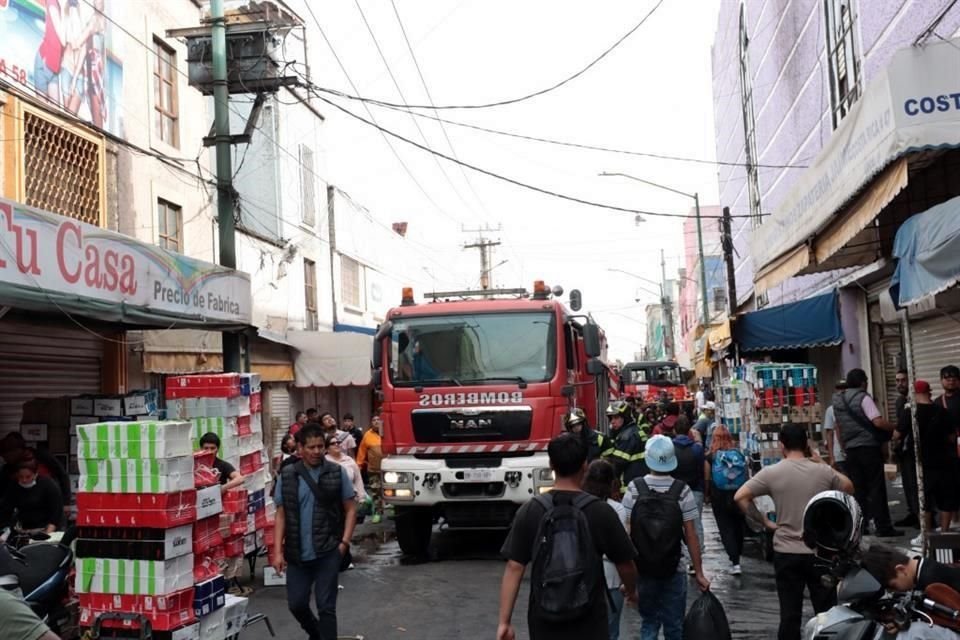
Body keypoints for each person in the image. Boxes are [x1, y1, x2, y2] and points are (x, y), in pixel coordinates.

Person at [497, 433, 638, 640]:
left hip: (544, 620)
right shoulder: (600, 511)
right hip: (589, 621)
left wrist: (504, 622)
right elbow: (625, 564)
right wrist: (631, 590)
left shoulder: (531, 510)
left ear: (551, 464)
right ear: (584, 466)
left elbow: (514, 567)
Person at [734, 422, 854, 640]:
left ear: (782, 445)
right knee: (826, 613)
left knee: (789, 615)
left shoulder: (771, 473)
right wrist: (823, 462)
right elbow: (848, 488)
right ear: (807, 443)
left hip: (786, 551)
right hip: (821, 552)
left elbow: (740, 497)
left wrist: (764, 523)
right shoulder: (822, 471)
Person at [272, 423, 357, 640]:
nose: (317, 451)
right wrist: (278, 552)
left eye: (320, 446)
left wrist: (344, 543)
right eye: (311, 447)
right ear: (300, 448)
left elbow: (350, 509)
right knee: (297, 604)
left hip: (328, 551)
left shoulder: (336, 473)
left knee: (326, 606)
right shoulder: (288, 474)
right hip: (297, 553)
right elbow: (280, 514)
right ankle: (316, 634)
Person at [622, 435, 710, 640]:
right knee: (674, 626)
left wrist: (626, 577)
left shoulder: (635, 488)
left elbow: (626, 533)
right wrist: (698, 573)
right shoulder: (682, 490)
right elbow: (691, 535)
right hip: (675, 568)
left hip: (642, 568)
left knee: (649, 623)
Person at [833, 368, 901, 538]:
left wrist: (843, 446)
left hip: (850, 449)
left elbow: (838, 427)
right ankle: (883, 526)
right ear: (863, 382)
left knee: (858, 489)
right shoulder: (863, 397)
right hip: (868, 448)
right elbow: (877, 422)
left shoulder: (838, 400)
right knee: (876, 488)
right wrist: (895, 428)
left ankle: (861, 526)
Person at [582, 459, 629, 640]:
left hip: (582, 580)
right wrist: (631, 587)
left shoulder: (577, 504)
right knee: (611, 632)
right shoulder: (617, 509)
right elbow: (621, 554)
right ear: (611, 483)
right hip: (611, 581)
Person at [908, 380, 958, 546]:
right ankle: (944, 533)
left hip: (924, 463)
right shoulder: (942, 411)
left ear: (914, 393)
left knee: (925, 500)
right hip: (945, 461)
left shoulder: (912, 413)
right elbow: (952, 436)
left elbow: (897, 434)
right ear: (929, 391)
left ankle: (926, 535)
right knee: (945, 499)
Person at [704, 425, 747, 575]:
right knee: (738, 525)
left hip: (719, 496)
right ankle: (738, 554)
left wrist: (707, 495)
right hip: (738, 494)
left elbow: (707, 477)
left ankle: (735, 561)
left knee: (725, 527)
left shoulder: (711, 456)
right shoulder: (737, 454)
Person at [671, 416, 705, 569]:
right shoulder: (697, 448)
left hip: (675, 490)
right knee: (695, 524)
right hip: (695, 489)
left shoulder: (669, 448)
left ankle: (681, 555)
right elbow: (702, 469)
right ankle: (696, 558)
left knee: (676, 523)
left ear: (674, 430)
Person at [861, 542, 960, 593]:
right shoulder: (923, 564)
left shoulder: (930, 583)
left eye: (894, 586)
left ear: (901, 569)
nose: (896, 591)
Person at [0, 434, 71, 506]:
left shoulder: (41, 456)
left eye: (6, 455)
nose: (5, 459)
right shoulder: (7, 469)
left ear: (17, 450)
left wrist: (66, 502)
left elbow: (62, 474)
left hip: (50, 500)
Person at [0, 461, 63, 533]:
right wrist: (5, 530)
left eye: (28, 477)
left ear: (35, 474)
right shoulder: (14, 486)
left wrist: (48, 533)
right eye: (20, 477)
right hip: (24, 528)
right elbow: (6, 510)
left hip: (46, 527)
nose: (24, 480)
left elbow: (56, 512)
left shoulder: (48, 485)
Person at [891, 369, 920, 529]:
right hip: (903, 448)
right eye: (897, 380)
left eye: (903, 380)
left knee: (915, 483)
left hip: (914, 448)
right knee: (908, 483)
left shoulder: (913, 401)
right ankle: (913, 513)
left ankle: (919, 514)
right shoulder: (899, 402)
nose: (899, 384)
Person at [606, 400, 649, 488]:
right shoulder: (635, 430)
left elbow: (617, 464)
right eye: (611, 418)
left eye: (616, 417)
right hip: (640, 481)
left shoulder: (627, 436)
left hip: (629, 484)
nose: (612, 422)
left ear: (625, 417)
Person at [325, 434, 366, 504]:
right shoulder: (324, 461)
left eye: (338, 442)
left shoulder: (349, 460)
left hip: (352, 498)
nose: (336, 444)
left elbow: (358, 479)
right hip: (332, 501)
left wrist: (362, 497)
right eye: (333, 443)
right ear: (327, 449)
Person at [822, 382, 847, 474]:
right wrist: (832, 457)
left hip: (853, 452)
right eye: (839, 389)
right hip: (839, 455)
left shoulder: (855, 406)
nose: (842, 391)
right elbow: (829, 433)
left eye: (844, 388)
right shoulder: (830, 410)